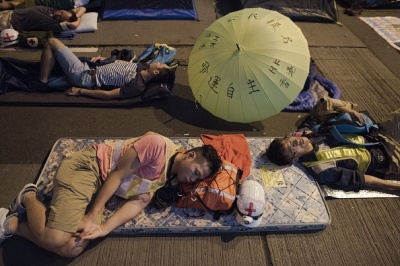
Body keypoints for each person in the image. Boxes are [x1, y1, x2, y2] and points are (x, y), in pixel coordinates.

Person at [0, 132, 223, 257]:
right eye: (196, 172)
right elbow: (116, 175)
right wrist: (91, 216)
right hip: (89, 168)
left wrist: (103, 228)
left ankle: (12, 225)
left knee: (72, 248)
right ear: (190, 154)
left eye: (198, 179)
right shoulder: (157, 145)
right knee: (55, 238)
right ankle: (29, 196)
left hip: (99, 188)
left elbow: (139, 201)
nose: (193, 179)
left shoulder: (169, 179)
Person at [265, 104, 400, 193]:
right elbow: (363, 180)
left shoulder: (309, 132)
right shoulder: (322, 169)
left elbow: (322, 108)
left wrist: (345, 109)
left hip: (379, 135)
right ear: (295, 159)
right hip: (390, 158)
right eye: (293, 147)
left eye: (289, 140)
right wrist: (395, 187)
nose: (295, 141)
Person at [39, 38, 176, 100]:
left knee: (52, 42)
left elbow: (109, 95)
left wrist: (80, 91)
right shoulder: (142, 66)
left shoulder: (137, 86)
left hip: (83, 76)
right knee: (51, 77)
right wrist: (104, 58)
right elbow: (123, 63)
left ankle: (42, 81)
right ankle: (44, 81)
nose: (158, 62)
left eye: (161, 64)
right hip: (91, 67)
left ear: (156, 72)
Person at [0, 6, 86, 32]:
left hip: (8, 22)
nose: (59, 14)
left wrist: (75, 20)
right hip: (9, 13)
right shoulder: (55, 11)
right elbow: (82, 8)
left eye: (60, 17)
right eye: (62, 12)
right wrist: (76, 16)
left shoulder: (53, 23)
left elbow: (74, 25)